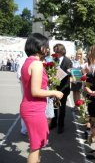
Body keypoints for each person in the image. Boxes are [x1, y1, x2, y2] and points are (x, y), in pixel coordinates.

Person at [20, 33, 63, 163]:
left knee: (36, 144)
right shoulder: (37, 64)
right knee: (36, 147)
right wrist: (54, 92)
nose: (48, 49)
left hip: (30, 107)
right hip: (34, 109)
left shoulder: (29, 62)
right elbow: (35, 91)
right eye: (46, 46)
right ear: (39, 46)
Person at [50, 43, 72, 134]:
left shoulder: (68, 61)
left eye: (57, 51)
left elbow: (69, 74)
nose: (55, 53)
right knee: (54, 106)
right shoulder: (54, 60)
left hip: (64, 87)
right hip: (55, 87)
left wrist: (58, 75)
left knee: (62, 107)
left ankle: (61, 125)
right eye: (54, 51)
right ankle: (54, 123)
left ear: (62, 51)